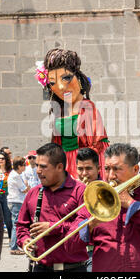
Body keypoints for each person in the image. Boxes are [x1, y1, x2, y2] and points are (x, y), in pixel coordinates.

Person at [64, 143, 140, 272]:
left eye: (117, 169)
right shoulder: (96, 197)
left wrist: (131, 204)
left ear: (135, 169)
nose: (111, 175)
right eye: (107, 169)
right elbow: (69, 245)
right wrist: (91, 224)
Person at [37, 48, 109, 180]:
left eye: (66, 78)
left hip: (82, 166)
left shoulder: (88, 107)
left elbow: (98, 146)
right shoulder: (60, 111)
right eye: (52, 82)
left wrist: (85, 170)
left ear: (79, 78)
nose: (60, 87)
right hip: (63, 167)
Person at [17, 143, 88, 272]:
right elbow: (22, 226)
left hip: (73, 269)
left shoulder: (81, 191)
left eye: (43, 166)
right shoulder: (33, 193)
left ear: (60, 167)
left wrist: (53, 228)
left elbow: (85, 228)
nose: (38, 170)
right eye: (37, 165)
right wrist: (25, 240)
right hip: (40, 267)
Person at [75, 147, 101, 272]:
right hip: (73, 253)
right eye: (80, 169)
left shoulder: (105, 191)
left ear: (98, 169)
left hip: (95, 251)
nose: (84, 174)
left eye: (88, 168)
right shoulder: (72, 190)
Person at [7, 156, 29, 255]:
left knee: (15, 224)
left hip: (15, 201)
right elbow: (24, 189)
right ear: (19, 166)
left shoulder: (16, 174)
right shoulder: (15, 175)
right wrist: (28, 186)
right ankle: (14, 247)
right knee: (16, 225)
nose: (25, 167)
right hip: (16, 201)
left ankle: (13, 245)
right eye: (23, 165)